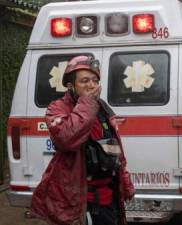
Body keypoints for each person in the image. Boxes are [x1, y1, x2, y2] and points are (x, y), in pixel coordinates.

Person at [31, 56, 135, 225]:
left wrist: (125, 182)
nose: (91, 85)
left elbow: (115, 149)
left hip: (109, 200)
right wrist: (87, 103)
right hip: (78, 202)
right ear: (71, 86)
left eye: (95, 80)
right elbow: (67, 138)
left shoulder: (102, 108)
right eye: (84, 81)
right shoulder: (57, 108)